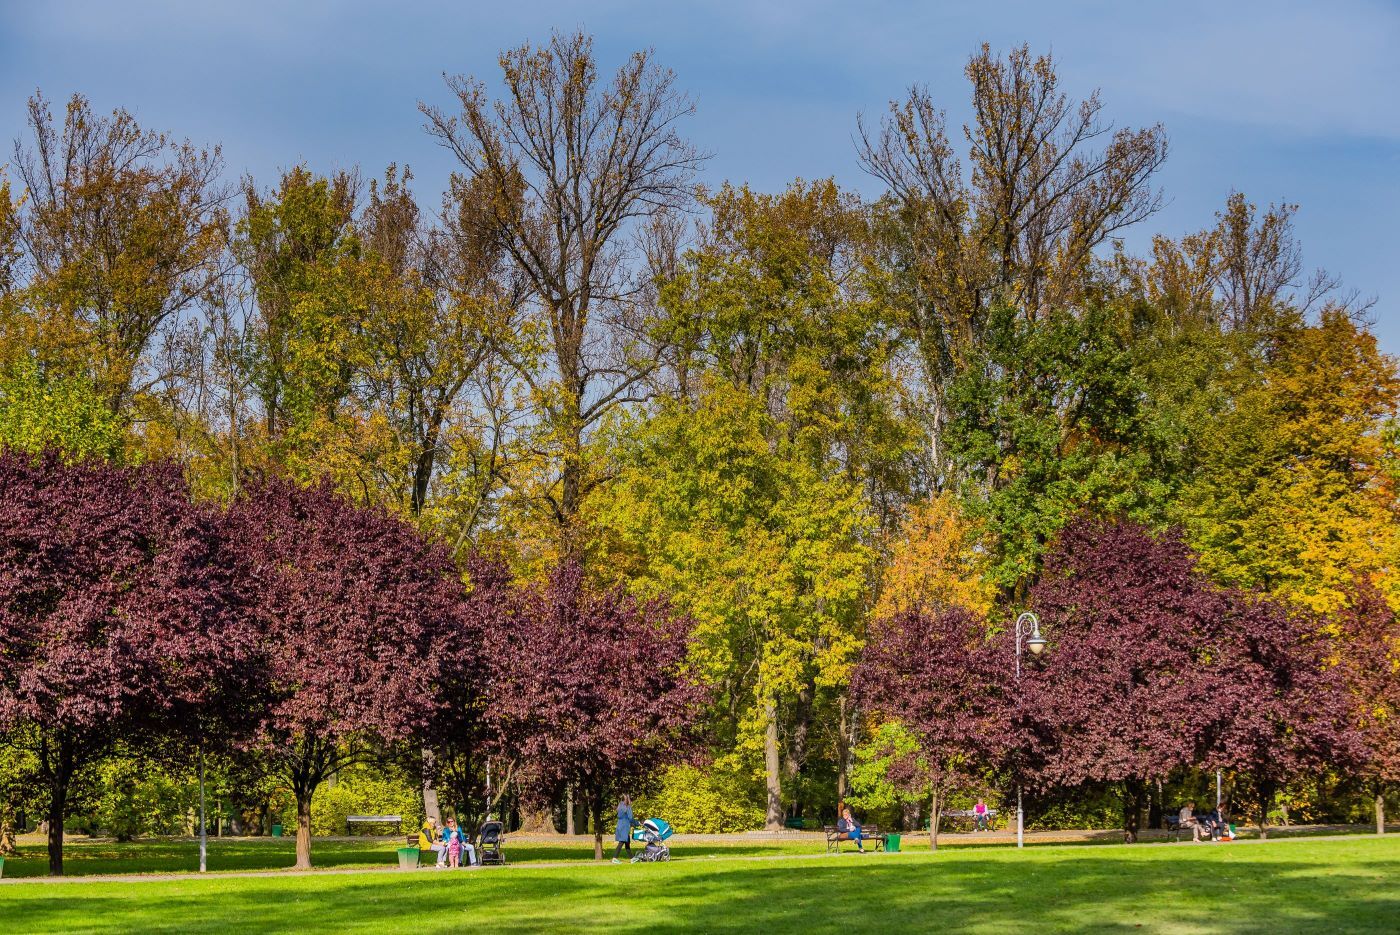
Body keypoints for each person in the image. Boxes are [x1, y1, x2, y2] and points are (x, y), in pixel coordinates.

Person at [612, 795, 633, 864]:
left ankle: (632, 858)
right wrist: (638, 823)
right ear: (627, 799)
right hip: (625, 827)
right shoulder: (627, 807)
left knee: (627, 842)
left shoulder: (620, 807)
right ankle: (614, 858)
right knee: (621, 843)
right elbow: (630, 818)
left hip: (620, 826)